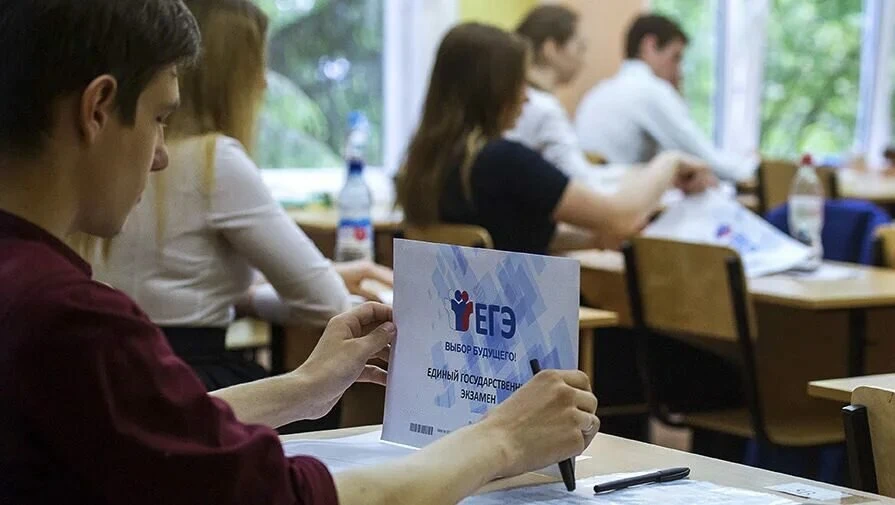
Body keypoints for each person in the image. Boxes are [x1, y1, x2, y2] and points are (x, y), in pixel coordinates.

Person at [0, 1, 600, 503]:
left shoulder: (34, 291)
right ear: (98, 109)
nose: (160, 156)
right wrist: (502, 438)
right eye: (160, 118)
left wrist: (305, 386)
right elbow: (296, 497)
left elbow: (156, 427)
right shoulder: (71, 319)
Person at [79, 0, 393, 390]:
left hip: (113, 372)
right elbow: (325, 300)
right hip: (192, 374)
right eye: (256, 65)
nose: (264, 82)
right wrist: (261, 295)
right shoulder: (216, 160)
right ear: (229, 77)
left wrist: (249, 295)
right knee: (328, 395)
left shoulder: (109, 158)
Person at [397, 22, 714, 255]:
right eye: (519, 84)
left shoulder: (427, 164)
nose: (526, 98)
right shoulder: (504, 161)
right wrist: (670, 162)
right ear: (493, 91)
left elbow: (503, 239)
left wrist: (592, 239)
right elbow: (621, 215)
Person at [575, 14, 757, 182]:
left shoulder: (601, 91)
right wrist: (752, 168)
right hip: (620, 196)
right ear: (649, 45)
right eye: (676, 58)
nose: (679, 71)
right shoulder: (648, 90)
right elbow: (702, 158)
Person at [506, 4, 595, 180]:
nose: (584, 61)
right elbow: (581, 180)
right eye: (580, 48)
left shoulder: (514, 97)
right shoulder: (543, 108)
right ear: (551, 48)